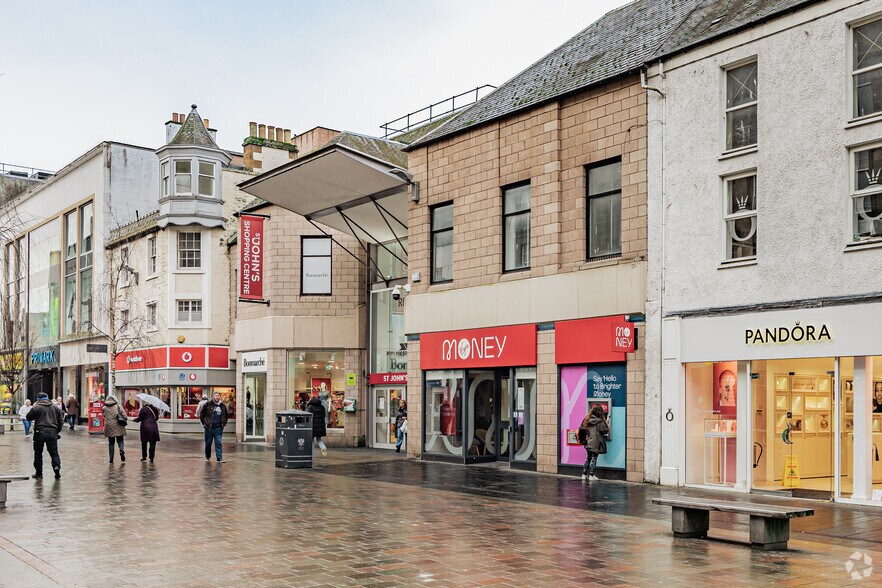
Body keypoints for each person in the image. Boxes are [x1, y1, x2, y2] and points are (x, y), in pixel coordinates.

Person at [26, 392, 63, 479]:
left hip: (40, 432)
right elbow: (61, 420)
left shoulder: (36, 407)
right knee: (54, 452)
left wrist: (34, 406)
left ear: (38, 399)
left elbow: (28, 417)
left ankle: (39, 473)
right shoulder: (55, 407)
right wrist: (57, 431)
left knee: (38, 453)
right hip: (52, 432)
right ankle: (56, 467)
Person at [579, 405, 610, 481]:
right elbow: (605, 430)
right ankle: (591, 475)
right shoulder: (600, 421)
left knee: (588, 458)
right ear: (600, 412)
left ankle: (584, 474)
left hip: (588, 442)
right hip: (596, 442)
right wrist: (607, 422)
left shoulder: (586, 419)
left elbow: (582, 428)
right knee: (594, 458)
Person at [198, 390, 228, 462]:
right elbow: (202, 414)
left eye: (218, 396)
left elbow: (226, 416)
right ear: (213, 396)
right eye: (215, 395)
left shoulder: (223, 406)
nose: (217, 397)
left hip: (218, 428)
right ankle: (207, 457)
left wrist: (223, 424)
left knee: (218, 443)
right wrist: (204, 423)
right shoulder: (208, 404)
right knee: (208, 443)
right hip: (209, 428)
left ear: (220, 396)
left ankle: (219, 458)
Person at [102, 394, 127, 464]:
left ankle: (111, 459)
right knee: (120, 440)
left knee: (111, 443)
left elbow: (103, 415)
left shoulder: (104, 408)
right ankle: (121, 450)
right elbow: (125, 416)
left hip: (108, 426)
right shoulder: (118, 406)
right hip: (118, 425)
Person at [305, 391, 327, 456]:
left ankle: (312, 454)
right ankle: (323, 448)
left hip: (312, 426)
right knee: (319, 439)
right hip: (320, 427)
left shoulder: (310, 407)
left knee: (311, 440)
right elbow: (324, 416)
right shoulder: (322, 407)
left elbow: (307, 416)